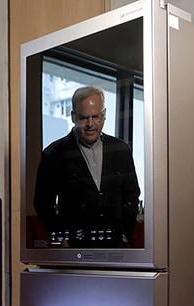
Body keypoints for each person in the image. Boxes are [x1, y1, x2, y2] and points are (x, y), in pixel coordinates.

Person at [34, 85, 140, 248]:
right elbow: (42, 203)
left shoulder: (120, 149)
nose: (90, 124)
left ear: (104, 116)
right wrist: (61, 239)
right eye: (84, 118)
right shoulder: (54, 154)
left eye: (96, 117)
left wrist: (126, 233)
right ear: (73, 117)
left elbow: (132, 194)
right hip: (74, 248)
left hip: (116, 245)